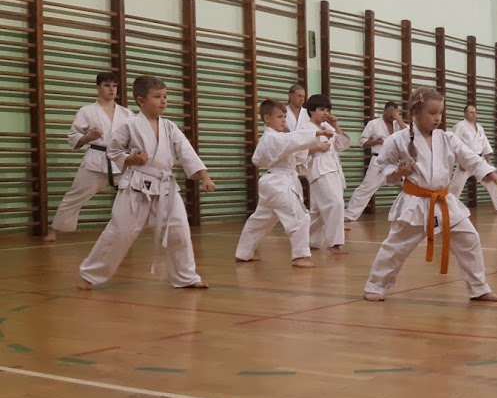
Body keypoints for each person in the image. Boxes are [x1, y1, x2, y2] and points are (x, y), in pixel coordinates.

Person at [364, 88, 497, 302]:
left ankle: (478, 288)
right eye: (432, 113)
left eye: (440, 113)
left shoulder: (448, 138)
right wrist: (398, 172)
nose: (437, 118)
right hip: (414, 202)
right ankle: (376, 285)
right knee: (396, 246)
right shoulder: (398, 139)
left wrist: (496, 179)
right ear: (415, 112)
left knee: (469, 239)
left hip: (443, 201)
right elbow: (382, 165)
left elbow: (472, 160)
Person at [78, 75, 214, 289]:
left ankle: (186, 277)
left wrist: (204, 175)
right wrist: (131, 159)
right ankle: (91, 274)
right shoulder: (129, 125)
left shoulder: (169, 127)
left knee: (178, 231)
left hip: (166, 186)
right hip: (136, 185)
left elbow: (186, 151)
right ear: (141, 101)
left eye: (165, 96)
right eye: (157, 97)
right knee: (120, 231)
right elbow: (113, 151)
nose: (163, 101)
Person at [235, 100, 333, 267]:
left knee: (260, 220)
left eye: (285, 117)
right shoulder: (273, 138)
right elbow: (292, 140)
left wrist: (289, 141)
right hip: (279, 183)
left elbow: (257, 159)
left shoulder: (270, 138)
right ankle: (300, 256)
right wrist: (317, 133)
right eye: (279, 117)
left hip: (271, 183)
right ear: (267, 118)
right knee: (300, 217)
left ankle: (243, 253)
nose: (283, 120)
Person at [45, 71, 134, 242]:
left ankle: (126, 230)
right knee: (75, 195)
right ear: (98, 88)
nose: (112, 89)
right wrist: (90, 137)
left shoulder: (127, 113)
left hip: (120, 159)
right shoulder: (87, 111)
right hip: (96, 159)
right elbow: (74, 137)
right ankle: (55, 230)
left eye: (114, 86)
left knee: (132, 195)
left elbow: (135, 137)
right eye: (107, 85)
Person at [304, 94, 351, 254]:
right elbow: (297, 150)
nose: (325, 113)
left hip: (333, 168)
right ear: (311, 110)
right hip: (319, 169)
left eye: (327, 110)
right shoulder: (305, 129)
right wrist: (318, 148)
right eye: (321, 109)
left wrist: (335, 125)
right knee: (335, 203)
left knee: (318, 209)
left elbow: (342, 145)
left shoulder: (327, 127)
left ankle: (307, 238)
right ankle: (334, 243)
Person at [346, 101, 405, 222]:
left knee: (410, 185)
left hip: (395, 163)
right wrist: (376, 141)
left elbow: (409, 134)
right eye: (390, 112)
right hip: (379, 161)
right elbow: (363, 142)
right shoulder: (373, 124)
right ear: (384, 110)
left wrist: (398, 118)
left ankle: (408, 214)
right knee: (366, 188)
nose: (392, 115)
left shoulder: (398, 125)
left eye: (394, 112)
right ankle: (349, 215)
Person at [449, 104, 497, 214]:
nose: (474, 114)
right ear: (465, 114)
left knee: (492, 181)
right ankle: (447, 207)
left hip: (479, 160)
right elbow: (455, 145)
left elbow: (485, 145)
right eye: (471, 112)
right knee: (456, 186)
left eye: (475, 112)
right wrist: (460, 162)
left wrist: (488, 161)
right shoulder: (460, 126)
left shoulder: (480, 128)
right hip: (465, 160)